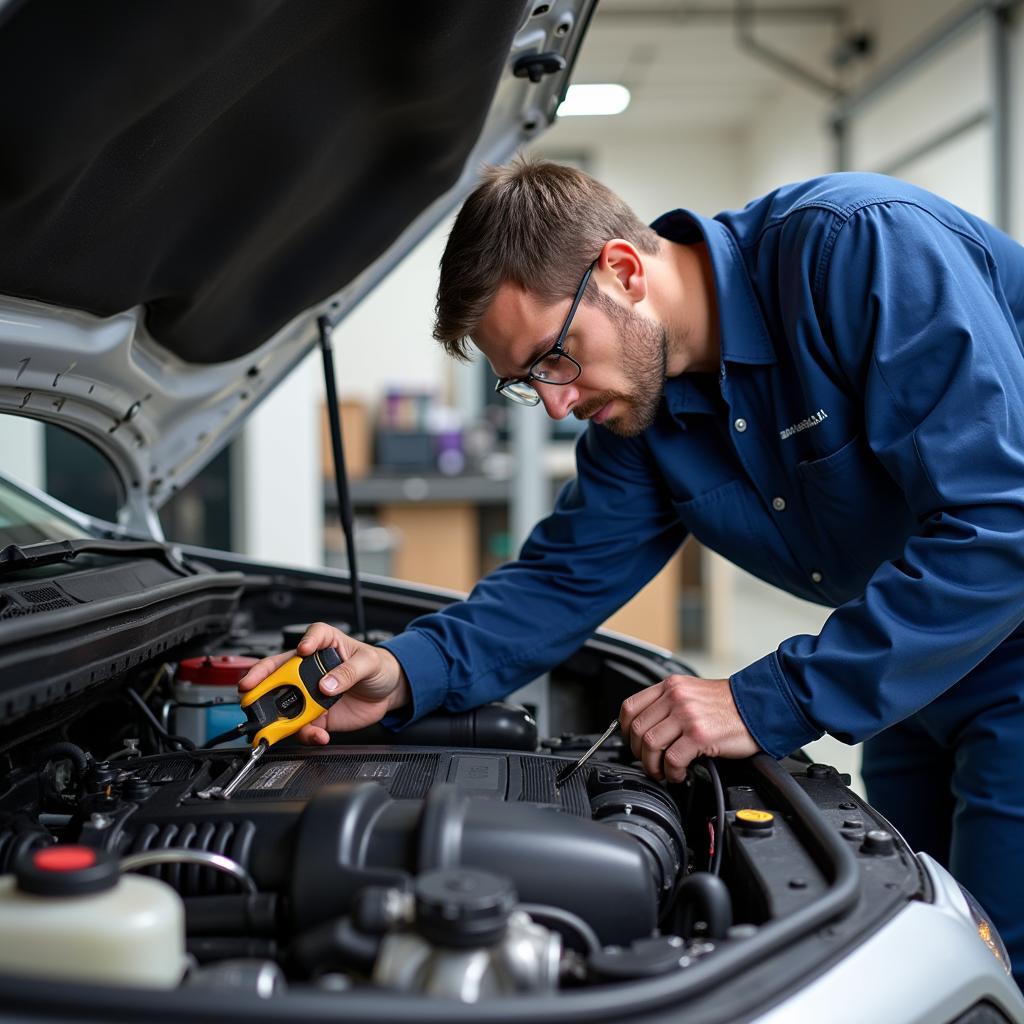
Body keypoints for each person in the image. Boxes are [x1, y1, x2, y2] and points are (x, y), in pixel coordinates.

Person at [240, 158, 1024, 985]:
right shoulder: (645, 422)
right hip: (908, 669)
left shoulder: (860, 248)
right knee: (925, 948)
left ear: (621, 269)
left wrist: (772, 699)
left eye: (554, 357)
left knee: (1000, 965)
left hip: (1004, 639)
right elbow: (557, 583)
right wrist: (399, 672)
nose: (553, 403)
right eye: (524, 381)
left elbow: (1003, 519)